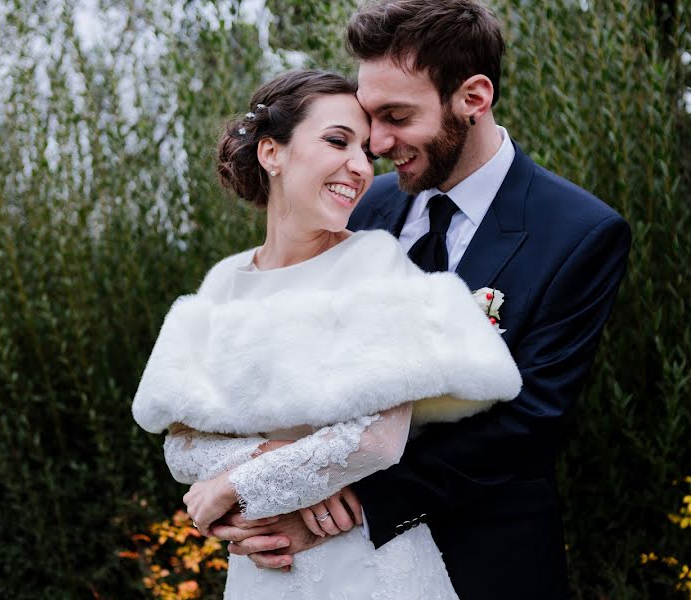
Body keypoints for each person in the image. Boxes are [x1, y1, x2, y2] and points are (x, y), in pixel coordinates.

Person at [215, 2, 632, 598]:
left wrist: (339, 509)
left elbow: (528, 421)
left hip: (486, 563)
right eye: (367, 116)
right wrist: (246, 495)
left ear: (474, 98)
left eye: (397, 117)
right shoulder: (360, 208)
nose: (376, 144)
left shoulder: (579, 233)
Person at [131, 69, 525, 599]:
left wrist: (233, 485)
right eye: (338, 141)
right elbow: (181, 446)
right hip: (262, 571)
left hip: (366, 568)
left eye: (366, 151)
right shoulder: (224, 283)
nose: (361, 166)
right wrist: (275, 461)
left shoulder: (375, 263)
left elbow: (376, 441)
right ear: (272, 153)